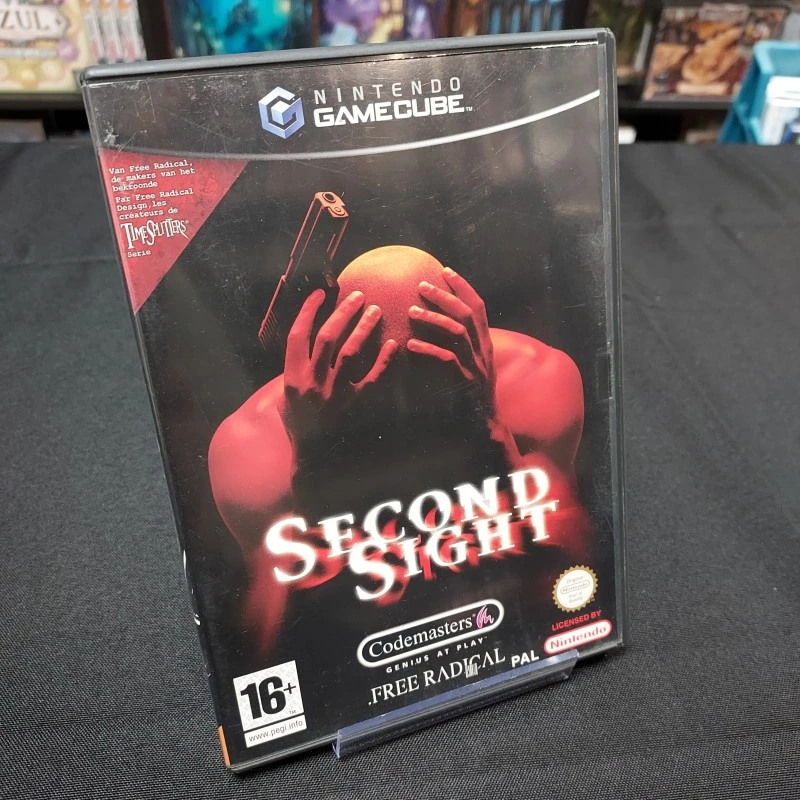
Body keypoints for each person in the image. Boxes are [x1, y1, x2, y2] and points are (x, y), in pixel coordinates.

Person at [209, 246, 589, 653]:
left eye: (427, 394)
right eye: (378, 403)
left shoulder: (534, 380)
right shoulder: (253, 446)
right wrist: (311, 483)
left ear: (466, 348)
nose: (404, 418)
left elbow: (577, 592)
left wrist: (493, 435)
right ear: (335, 365)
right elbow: (272, 661)